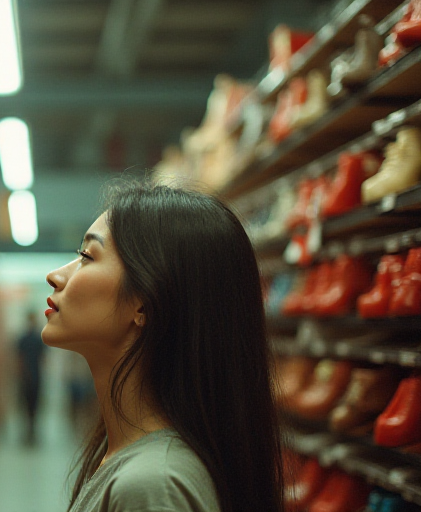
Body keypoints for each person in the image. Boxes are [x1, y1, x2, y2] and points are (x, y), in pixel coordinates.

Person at [42, 182, 282, 512]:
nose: (55, 276)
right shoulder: (129, 459)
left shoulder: (152, 486)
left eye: (86, 256)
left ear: (145, 303)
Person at [16, 311, 46, 446]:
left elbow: (19, 359)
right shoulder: (39, 338)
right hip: (35, 377)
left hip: (27, 377)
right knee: (33, 405)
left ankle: (30, 431)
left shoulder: (23, 338)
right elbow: (43, 359)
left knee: (27, 405)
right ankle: (31, 431)